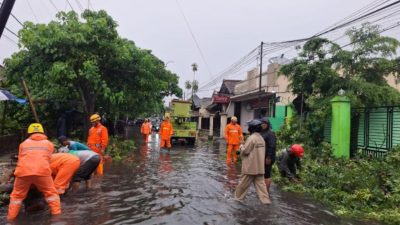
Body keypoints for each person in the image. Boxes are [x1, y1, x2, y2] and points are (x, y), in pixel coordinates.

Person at [7, 123, 61, 221]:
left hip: (23, 172)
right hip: (42, 171)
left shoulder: (23, 144)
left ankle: (11, 219)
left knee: (16, 196)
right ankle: (57, 218)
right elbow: (48, 159)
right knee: (51, 194)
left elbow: (20, 159)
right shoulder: (49, 144)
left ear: (29, 133)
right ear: (42, 132)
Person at [234, 120, 271, 204]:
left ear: (251, 128)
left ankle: (237, 200)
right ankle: (266, 202)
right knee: (262, 188)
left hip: (250, 168)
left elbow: (245, 151)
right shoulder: (261, 138)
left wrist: (241, 146)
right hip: (260, 168)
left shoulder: (251, 138)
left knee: (242, 186)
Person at [259, 118, 276, 193]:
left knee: (267, 174)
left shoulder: (270, 133)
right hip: (262, 157)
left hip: (268, 158)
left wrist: (268, 157)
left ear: (268, 124)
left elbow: (272, 146)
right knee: (262, 174)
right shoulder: (262, 132)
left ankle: (266, 192)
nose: (263, 124)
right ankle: (263, 191)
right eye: (262, 123)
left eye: (265, 123)